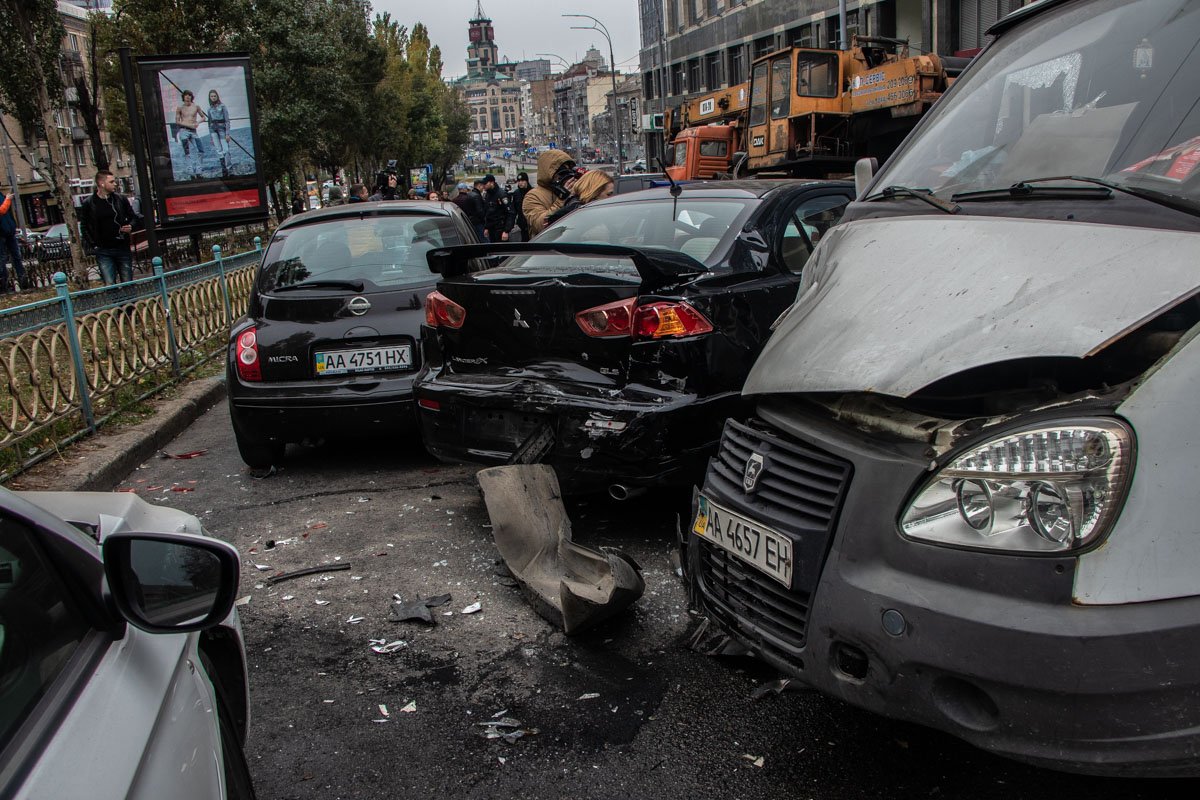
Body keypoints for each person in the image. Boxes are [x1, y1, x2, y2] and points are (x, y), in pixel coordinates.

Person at [78, 170, 143, 286]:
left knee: (127, 282)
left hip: (122, 247)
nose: (115, 184)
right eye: (111, 182)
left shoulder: (120, 199)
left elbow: (134, 217)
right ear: (102, 183)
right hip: (103, 250)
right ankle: (116, 304)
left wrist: (131, 226)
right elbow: (84, 226)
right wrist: (94, 245)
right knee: (109, 283)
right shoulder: (89, 203)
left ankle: (129, 304)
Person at [523, 149, 583, 237]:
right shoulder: (533, 196)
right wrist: (562, 198)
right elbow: (540, 225)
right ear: (549, 174)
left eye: (568, 173)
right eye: (561, 174)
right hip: (548, 246)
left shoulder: (574, 190)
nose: (566, 177)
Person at [544, 170, 614, 227]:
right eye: (608, 194)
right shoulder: (572, 214)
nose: (612, 198)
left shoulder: (586, 210)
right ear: (594, 193)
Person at [173, 90, 207, 179]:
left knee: (200, 150)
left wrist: (197, 122)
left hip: (193, 132)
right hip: (184, 131)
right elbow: (177, 121)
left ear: (191, 97)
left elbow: (204, 117)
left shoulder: (196, 106)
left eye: (189, 95)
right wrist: (188, 125)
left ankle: (199, 171)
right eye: (186, 95)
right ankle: (191, 172)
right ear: (183, 97)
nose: (188, 97)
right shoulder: (180, 108)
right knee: (187, 152)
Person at [0, 191, 27, 292]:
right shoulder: (4, 197)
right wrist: (7, 199)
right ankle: (4, 283)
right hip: (2, 233)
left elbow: (7, 213)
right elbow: (2, 211)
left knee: (16, 256)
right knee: (2, 258)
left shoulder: (1, 196)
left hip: (9, 231)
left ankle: (22, 279)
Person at [481, 174, 513, 243]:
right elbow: (488, 213)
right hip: (492, 230)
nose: (483, 186)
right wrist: (486, 227)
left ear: (492, 183)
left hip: (501, 230)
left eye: (485, 183)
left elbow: (510, 213)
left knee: (502, 252)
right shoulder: (488, 194)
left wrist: (506, 231)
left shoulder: (501, 195)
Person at [206, 89, 231, 177]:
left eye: (214, 96)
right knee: (219, 150)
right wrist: (210, 137)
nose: (213, 97)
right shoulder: (209, 109)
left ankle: (229, 167)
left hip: (222, 129)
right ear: (209, 98)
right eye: (211, 96)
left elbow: (227, 121)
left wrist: (228, 134)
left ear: (217, 96)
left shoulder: (223, 106)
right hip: (213, 130)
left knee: (226, 150)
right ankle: (224, 169)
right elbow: (209, 122)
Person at [510, 172, 532, 241]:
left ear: (527, 181)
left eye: (522, 181)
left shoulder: (532, 192)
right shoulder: (516, 193)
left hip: (531, 223)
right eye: (519, 181)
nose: (520, 183)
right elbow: (513, 210)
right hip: (522, 224)